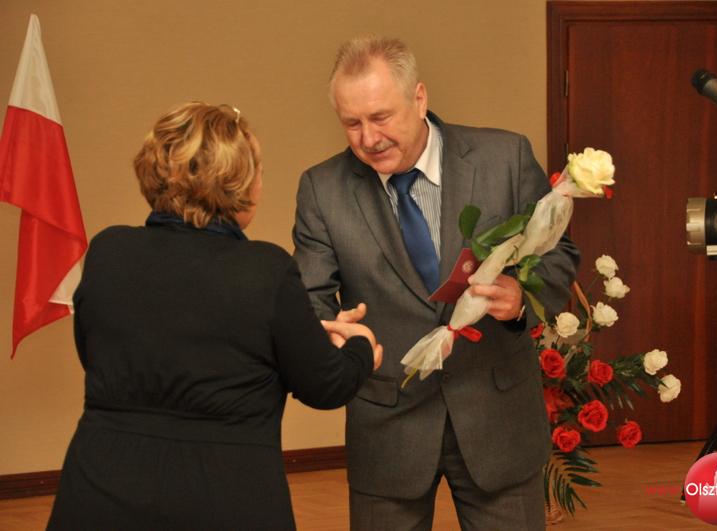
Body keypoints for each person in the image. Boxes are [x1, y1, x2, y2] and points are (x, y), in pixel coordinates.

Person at [47, 102, 382, 530]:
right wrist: (359, 347)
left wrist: (296, 334)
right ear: (237, 183)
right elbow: (325, 385)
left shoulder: (109, 252)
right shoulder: (264, 269)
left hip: (99, 494)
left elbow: (104, 351)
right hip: (223, 499)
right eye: (257, 171)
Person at [292, 36, 580, 530]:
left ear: (419, 97)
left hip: (497, 420)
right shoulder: (322, 189)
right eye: (352, 123)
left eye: (381, 117)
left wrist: (521, 300)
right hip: (389, 429)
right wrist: (332, 333)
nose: (368, 138)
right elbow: (311, 301)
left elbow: (558, 255)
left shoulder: (505, 157)